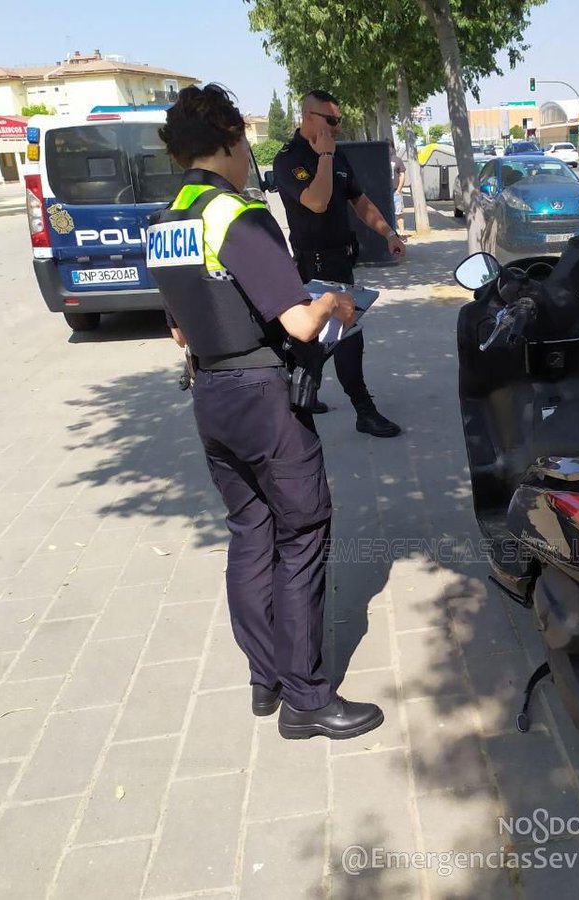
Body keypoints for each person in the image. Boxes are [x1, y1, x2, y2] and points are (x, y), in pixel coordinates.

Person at [149, 83, 382, 741]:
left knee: (251, 533)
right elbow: (301, 323)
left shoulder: (166, 223)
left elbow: (178, 330)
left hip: (211, 396)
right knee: (302, 534)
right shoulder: (235, 215)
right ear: (230, 140)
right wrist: (334, 304)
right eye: (243, 140)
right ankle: (307, 699)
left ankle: (267, 679)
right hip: (263, 400)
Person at [272, 89, 405, 438]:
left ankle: (304, 391)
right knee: (341, 334)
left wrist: (388, 233)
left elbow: (359, 201)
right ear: (308, 117)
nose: (338, 127)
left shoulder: (337, 153)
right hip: (312, 263)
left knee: (333, 333)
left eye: (339, 120)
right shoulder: (289, 159)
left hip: (340, 259)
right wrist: (326, 157)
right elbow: (316, 202)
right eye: (331, 120)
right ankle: (363, 410)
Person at [389, 138, 407, 235]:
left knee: (398, 214)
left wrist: (399, 189)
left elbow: (402, 174)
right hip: (384, 192)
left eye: (389, 147)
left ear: (392, 148)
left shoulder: (397, 160)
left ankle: (402, 233)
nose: (388, 149)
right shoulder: (379, 160)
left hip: (395, 192)